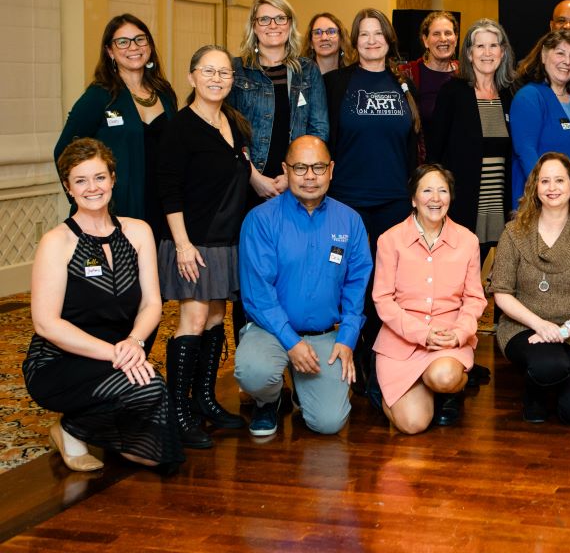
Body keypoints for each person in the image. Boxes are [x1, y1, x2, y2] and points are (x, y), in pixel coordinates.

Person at [24, 138, 183, 472]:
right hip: (61, 362)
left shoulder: (139, 232)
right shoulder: (57, 242)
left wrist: (134, 342)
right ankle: (70, 428)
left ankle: (78, 425)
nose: (92, 188)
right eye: (80, 180)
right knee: (151, 387)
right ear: (68, 188)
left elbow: (153, 303)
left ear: (113, 178)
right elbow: (46, 324)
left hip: (123, 352)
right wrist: (115, 354)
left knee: (162, 452)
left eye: (99, 177)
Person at [234, 136, 371, 436]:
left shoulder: (350, 221)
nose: (310, 176)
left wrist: (347, 338)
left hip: (323, 335)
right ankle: (268, 401)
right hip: (271, 330)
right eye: (300, 167)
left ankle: (301, 387)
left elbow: (356, 285)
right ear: (285, 169)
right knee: (254, 371)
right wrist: (291, 342)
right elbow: (258, 295)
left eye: (319, 167)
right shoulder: (260, 220)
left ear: (331, 170)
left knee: (329, 423)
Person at [322, 8, 422, 403]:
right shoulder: (336, 83)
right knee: (352, 285)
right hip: (347, 202)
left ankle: (386, 364)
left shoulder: (403, 84)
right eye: (363, 34)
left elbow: (413, 144)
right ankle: (355, 361)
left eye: (377, 33)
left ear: (388, 39)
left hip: (395, 201)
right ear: (354, 41)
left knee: (391, 287)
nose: (370, 41)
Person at [156, 46, 251, 449]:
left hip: (226, 239)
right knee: (192, 321)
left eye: (224, 72)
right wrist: (181, 245)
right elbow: (169, 188)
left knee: (215, 318)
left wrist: (271, 184)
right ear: (192, 76)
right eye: (208, 71)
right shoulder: (179, 127)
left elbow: (241, 168)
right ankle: (178, 414)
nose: (217, 79)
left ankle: (204, 400)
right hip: (193, 241)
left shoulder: (233, 121)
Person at [489, 153, 570, 425]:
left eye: (559, 180)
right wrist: (540, 325)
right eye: (544, 181)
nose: (552, 188)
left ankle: (560, 385)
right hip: (525, 328)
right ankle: (536, 391)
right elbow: (501, 293)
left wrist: (566, 329)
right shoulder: (514, 232)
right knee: (549, 365)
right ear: (535, 186)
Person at [372, 165, 487, 433]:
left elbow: (474, 299)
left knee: (444, 376)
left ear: (450, 197)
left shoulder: (467, 241)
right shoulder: (390, 240)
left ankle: (447, 392)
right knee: (412, 425)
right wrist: (422, 334)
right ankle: (391, 388)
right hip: (401, 341)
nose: (435, 198)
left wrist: (460, 333)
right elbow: (383, 300)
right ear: (413, 199)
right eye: (427, 191)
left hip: (448, 339)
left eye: (442, 191)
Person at [55, 14, 176, 238]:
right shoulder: (99, 96)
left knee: (155, 270)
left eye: (140, 39)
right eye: (123, 41)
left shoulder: (165, 93)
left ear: (149, 45)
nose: (133, 47)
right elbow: (64, 151)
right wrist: (84, 197)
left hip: (162, 206)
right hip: (117, 209)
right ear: (110, 51)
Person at [427, 18, 516, 265]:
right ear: (468, 53)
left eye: (493, 46)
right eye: (480, 46)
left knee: (488, 272)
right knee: (455, 274)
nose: (487, 53)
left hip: (498, 202)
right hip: (462, 203)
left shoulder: (510, 94)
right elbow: (435, 154)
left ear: (503, 51)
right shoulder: (452, 93)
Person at [229, 0, 328, 210]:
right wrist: (253, 176)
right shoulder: (236, 70)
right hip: (246, 183)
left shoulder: (308, 70)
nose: (273, 25)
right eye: (264, 19)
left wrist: (291, 175)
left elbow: (319, 129)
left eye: (280, 18)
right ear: (254, 26)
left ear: (290, 24)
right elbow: (228, 131)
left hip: (297, 182)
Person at [510, 30, 570, 208]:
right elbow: (526, 151)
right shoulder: (529, 97)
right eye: (560, 53)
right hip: (540, 204)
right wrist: (549, 193)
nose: (567, 61)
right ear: (544, 56)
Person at [403, 10, 459, 128]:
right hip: (422, 146)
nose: (443, 39)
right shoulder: (407, 74)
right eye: (436, 34)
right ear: (425, 40)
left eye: (448, 33)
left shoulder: (467, 74)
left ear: (456, 39)